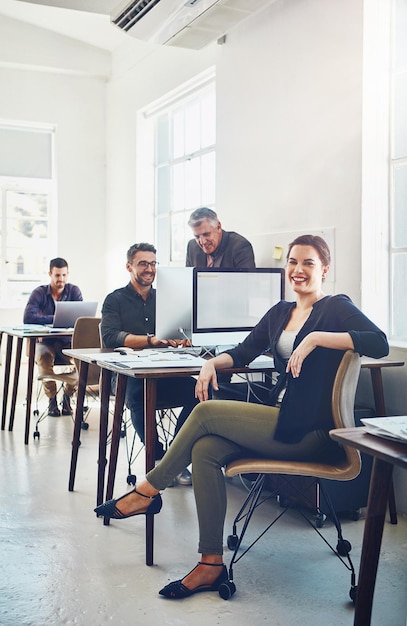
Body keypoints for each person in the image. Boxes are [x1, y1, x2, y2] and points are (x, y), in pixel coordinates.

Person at [95, 234, 389, 599]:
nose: (298, 270)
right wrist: (209, 365)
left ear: (325, 269)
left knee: (204, 411)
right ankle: (210, 564)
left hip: (310, 430)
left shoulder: (335, 307)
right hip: (279, 417)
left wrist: (315, 339)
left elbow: (379, 342)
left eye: (308, 263)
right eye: (293, 262)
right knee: (205, 450)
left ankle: (149, 490)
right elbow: (242, 352)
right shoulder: (281, 312)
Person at [100, 242, 199, 486]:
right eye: (143, 263)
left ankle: (174, 458)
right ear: (129, 266)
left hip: (164, 371)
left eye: (153, 263)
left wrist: (184, 339)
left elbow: (181, 330)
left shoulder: (165, 297)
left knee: (200, 391)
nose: (150, 269)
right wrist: (150, 340)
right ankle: (157, 455)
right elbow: (110, 337)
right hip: (127, 377)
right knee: (139, 392)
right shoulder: (115, 300)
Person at [23, 257, 82, 417]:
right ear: (50, 274)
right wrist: (57, 318)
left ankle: (68, 398)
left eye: (64, 275)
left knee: (81, 361)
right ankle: (52, 399)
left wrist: (45, 318)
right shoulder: (40, 292)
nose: (61, 279)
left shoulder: (74, 291)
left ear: (67, 274)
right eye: (57, 275)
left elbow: (80, 318)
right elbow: (28, 317)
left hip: (67, 342)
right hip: (45, 342)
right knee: (43, 357)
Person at [185, 207, 255, 268]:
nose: (202, 241)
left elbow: (247, 282)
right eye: (197, 237)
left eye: (206, 234)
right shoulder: (192, 247)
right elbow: (188, 280)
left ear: (218, 227)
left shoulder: (240, 247)